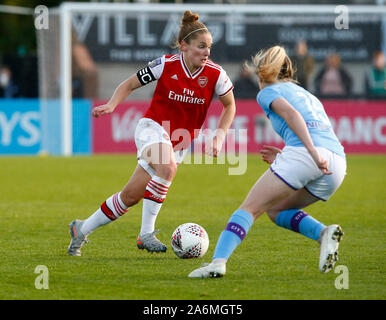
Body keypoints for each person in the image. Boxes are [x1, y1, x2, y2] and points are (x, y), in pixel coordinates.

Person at [67, 11, 236, 256]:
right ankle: (146, 233)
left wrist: (219, 136)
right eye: (201, 47)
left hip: (180, 141)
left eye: (209, 47)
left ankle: (81, 229)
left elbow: (230, 105)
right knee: (167, 169)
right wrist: (113, 104)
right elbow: (129, 84)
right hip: (153, 128)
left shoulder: (216, 74)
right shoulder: (166, 65)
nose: (207, 52)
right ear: (184, 46)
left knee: (130, 197)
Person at [189, 46, 346, 278]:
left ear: (261, 74)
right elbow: (317, 129)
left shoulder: (267, 92)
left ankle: (217, 262)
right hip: (337, 163)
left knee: (250, 209)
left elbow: (293, 116)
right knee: (275, 210)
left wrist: (310, 153)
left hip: (309, 154)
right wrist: (288, 156)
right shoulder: (306, 94)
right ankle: (324, 233)